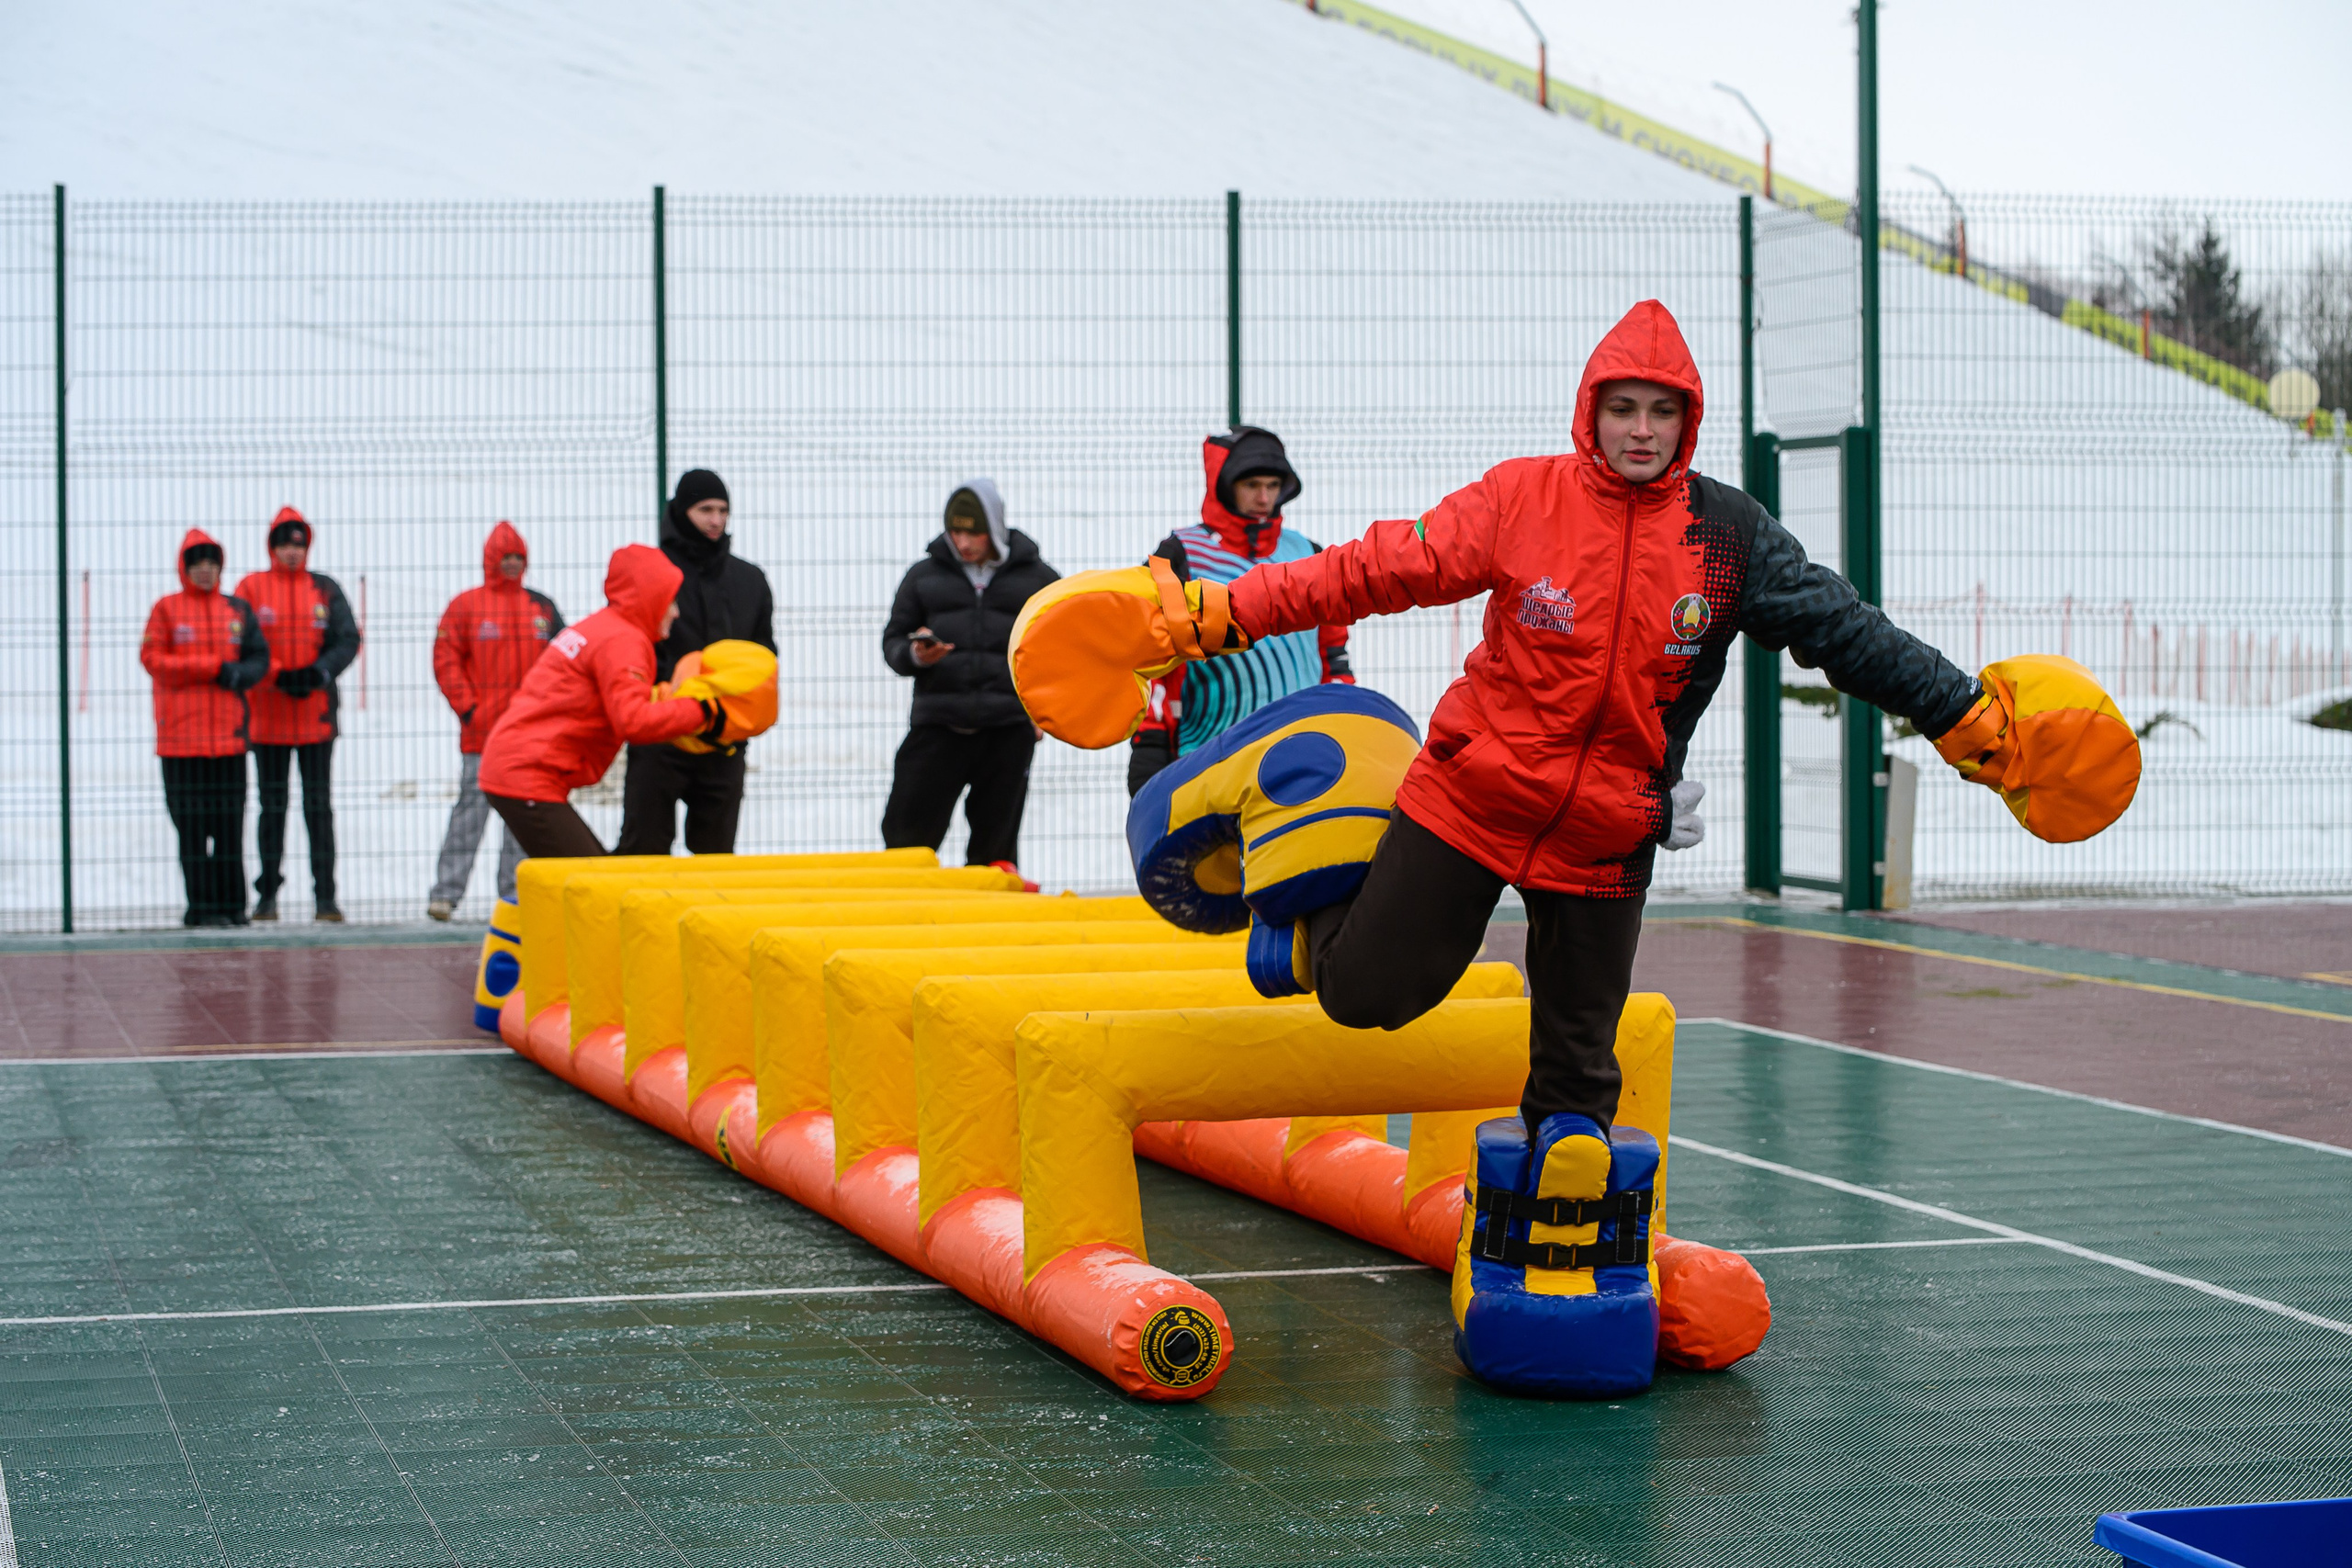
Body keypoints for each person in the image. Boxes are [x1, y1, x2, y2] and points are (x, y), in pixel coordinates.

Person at [1203, 301, 1984, 1137]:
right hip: (1475, 797)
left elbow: (1847, 632)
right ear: (1591, 411)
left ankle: (1556, 1235)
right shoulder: (1522, 499)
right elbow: (1373, 570)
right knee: (1364, 995)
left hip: (1608, 829)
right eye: (1622, 408)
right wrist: (1217, 611)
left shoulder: (1728, 537)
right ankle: (1317, 870)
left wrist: (1964, 713)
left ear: (1688, 419)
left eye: (1661, 410)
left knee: (1578, 1075)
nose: (1640, 431)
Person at [1127, 426, 1354, 796]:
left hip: (1300, 747)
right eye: (1251, 485)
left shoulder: (1309, 553)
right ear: (1226, 485)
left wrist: (1343, 715)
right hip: (1209, 750)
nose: (1264, 497)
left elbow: (1332, 652)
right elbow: (1150, 655)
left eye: (1272, 485)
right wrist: (1151, 738)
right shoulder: (1181, 553)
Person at [481, 544, 727, 859]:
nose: (676, 612)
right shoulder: (624, 640)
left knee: (580, 882)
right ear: (650, 597)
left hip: (518, 767)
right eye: (671, 601)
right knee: (592, 886)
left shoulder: (605, 627)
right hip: (525, 775)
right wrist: (703, 710)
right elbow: (634, 720)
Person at [879, 479, 1059, 868]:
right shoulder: (923, 576)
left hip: (1007, 730)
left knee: (995, 851)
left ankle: (992, 923)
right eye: (955, 531)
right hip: (938, 725)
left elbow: (1063, 651)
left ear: (993, 528)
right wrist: (915, 653)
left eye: (972, 531)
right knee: (906, 841)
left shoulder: (1039, 579)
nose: (962, 542)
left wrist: (1045, 709)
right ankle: (904, 919)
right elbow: (892, 642)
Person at [615, 469, 775, 855]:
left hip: (723, 738)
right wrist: (673, 699)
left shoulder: (749, 580)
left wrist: (728, 708)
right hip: (661, 737)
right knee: (643, 851)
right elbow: (632, 649)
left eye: (723, 510)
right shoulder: (653, 574)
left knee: (715, 858)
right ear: (682, 510)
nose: (716, 520)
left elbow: (764, 657)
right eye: (705, 509)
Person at [426, 520, 564, 919]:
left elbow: (564, 661)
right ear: (490, 559)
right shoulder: (466, 606)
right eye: (505, 557)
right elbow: (445, 660)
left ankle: (514, 896)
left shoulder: (541, 607)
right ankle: (445, 894)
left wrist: (548, 712)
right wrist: (469, 708)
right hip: (482, 735)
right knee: (470, 812)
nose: (512, 563)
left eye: (518, 557)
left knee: (521, 817)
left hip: (529, 736)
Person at [233, 507, 360, 922]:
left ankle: (326, 898)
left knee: (318, 809)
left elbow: (347, 639)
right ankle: (267, 896)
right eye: (285, 543)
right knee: (272, 809)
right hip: (267, 721)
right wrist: (275, 676)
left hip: (316, 720)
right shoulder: (251, 588)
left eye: (299, 544)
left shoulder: (324, 589)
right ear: (272, 546)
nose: (292, 551)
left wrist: (318, 673)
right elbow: (242, 645)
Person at [141, 531, 270, 926]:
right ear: (184, 567)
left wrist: (238, 673)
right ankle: (200, 907)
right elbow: (153, 659)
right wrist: (210, 667)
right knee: (192, 830)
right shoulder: (166, 609)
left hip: (228, 743)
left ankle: (233, 907)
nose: (204, 570)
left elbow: (258, 660)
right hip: (180, 744)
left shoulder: (237, 611)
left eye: (211, 563)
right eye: (197, 563)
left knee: (230, 828)